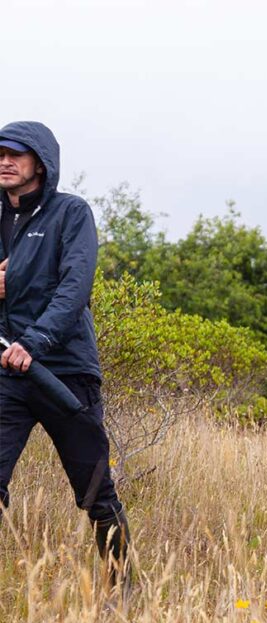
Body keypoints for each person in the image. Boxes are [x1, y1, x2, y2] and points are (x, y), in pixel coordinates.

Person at [0, 121, 130, 591]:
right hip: (7, 374)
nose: (5, 161)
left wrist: (31, 342)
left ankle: (123, 590)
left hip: (65, 372)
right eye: (0, 153)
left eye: (16, 153)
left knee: (95, 492)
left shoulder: (71, 214)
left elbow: (74, 287)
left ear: (41, 162)